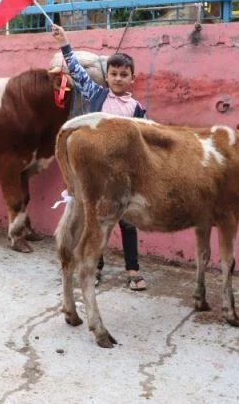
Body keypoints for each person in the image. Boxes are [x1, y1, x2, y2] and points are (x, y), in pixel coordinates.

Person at [52, 24, 148, 291]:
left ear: (132, 78)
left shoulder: (137, 109)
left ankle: (133, 270)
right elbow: (77, 71)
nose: (118, 78)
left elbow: (143, 144)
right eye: (113, 74)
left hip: (125, 177)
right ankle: (95, 267)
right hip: (96, 175)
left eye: (124, 74)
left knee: (128, 223)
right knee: (95, 222)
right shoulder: (96, 95)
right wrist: (65, 43)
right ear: (106, 77)